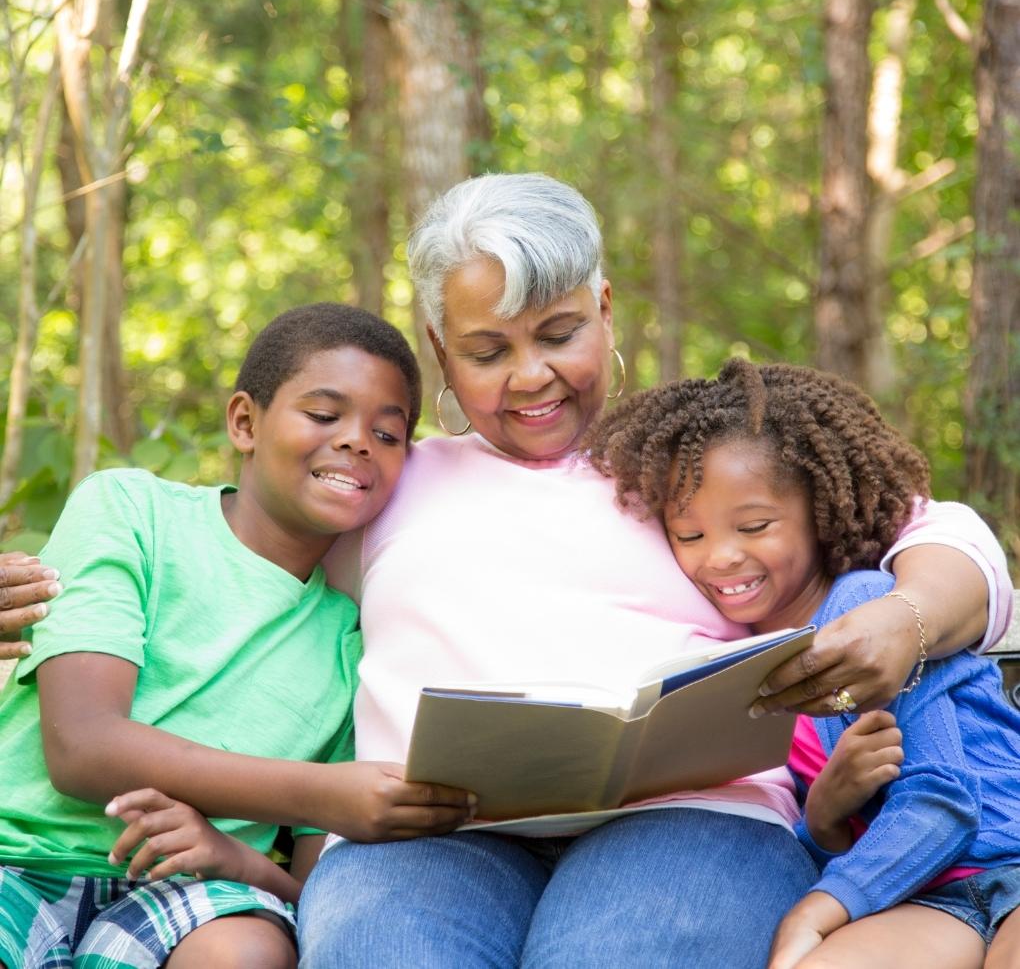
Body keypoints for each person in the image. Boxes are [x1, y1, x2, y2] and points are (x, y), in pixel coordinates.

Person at [290, 173, 1014, 967]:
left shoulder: (691, 458)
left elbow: (944, 536)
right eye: (488, 351)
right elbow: (243, 564)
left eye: (558, 334)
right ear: (440, 349)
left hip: (696, 818)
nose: (529, 376)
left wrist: (905, 619)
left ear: (605, 310)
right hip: (430, 832)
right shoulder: (383, 479)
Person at [0, 304, 473, 969]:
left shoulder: (354, 645)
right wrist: (324, 792)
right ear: (245, 423)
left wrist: (233, 856)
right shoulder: (132, 511)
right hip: (19, 861)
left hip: (195, 894)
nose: (358, 441)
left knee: (245, 949)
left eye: (388, 434)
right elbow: (81, 748)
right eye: (324, 414)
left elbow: (315, 893)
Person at [585, 357, 1020, 969]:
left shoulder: (866, 611)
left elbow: (944, 802)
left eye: (755, 525)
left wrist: (817, 907)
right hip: (923, 897)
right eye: (691, 536)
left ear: (818, 513)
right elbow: (841, 844)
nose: (722, 557)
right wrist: (822, 819)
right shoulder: (741, 667)